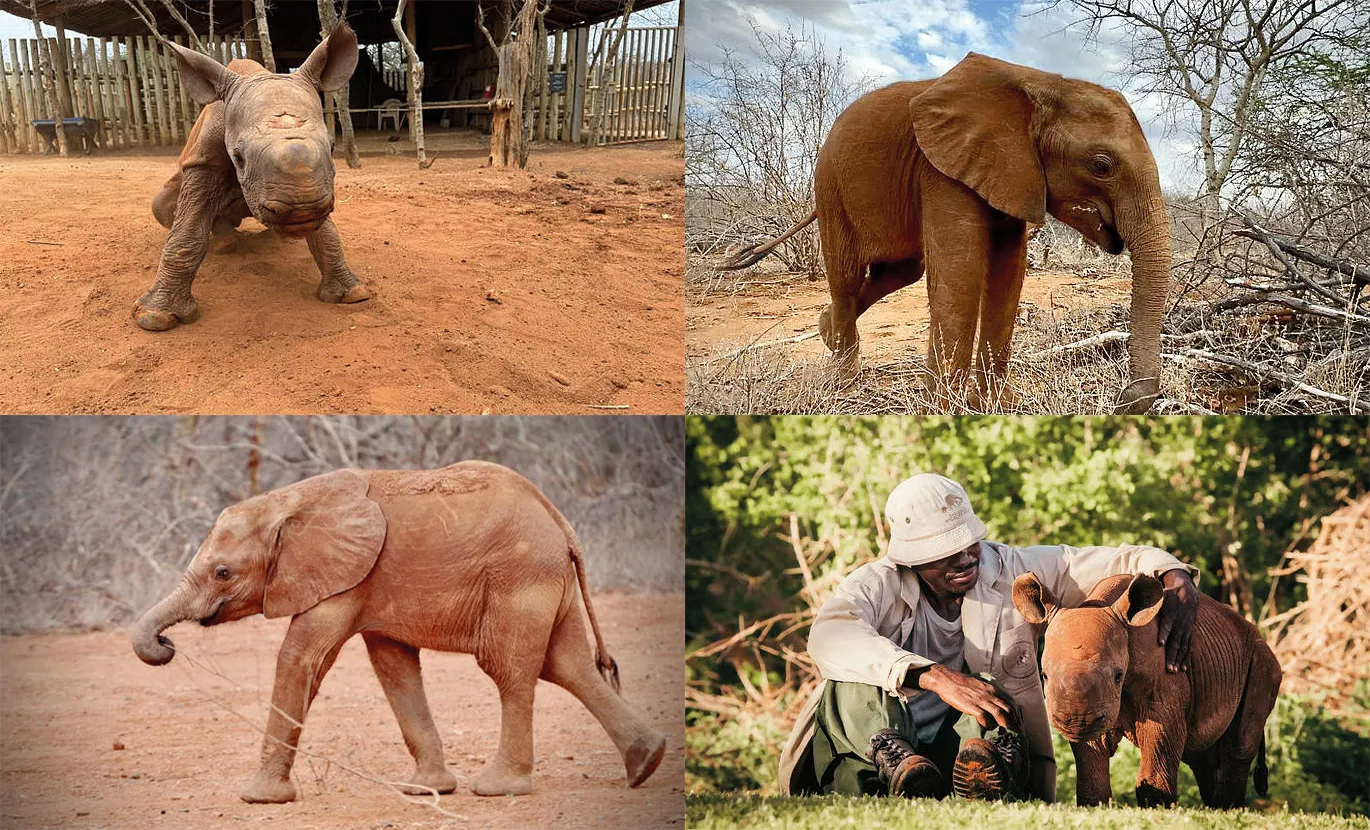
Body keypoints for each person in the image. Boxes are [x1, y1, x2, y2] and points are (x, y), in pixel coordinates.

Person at [778, 473, 1200, 801]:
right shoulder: (875, 584)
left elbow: (1115, 558)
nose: (965, 557)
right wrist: (933, 676)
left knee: (994, 697)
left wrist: (1173, 573)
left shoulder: (1009, 566)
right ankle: (898, 762)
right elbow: (831, 634)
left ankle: (980, 772)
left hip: (961, 745)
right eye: (946, 550)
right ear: (912, 557)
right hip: (876, 747)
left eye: (970, 543)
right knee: (852, 679)